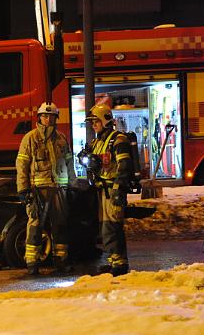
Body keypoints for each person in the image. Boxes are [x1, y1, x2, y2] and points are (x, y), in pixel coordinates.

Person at [15, 102, 76, 276]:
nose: (48, 119)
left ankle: (61, 261)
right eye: (44, 116)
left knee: (60, 226)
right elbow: (22, 166)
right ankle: (32, 263)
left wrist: (72, 185)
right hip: (37, 191)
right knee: (35, 225)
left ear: (56, 118)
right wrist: (23, 190)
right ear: (39, 117)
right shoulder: (30, 138)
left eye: (51, 116)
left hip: (59, 190)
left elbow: (69, 164)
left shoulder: (61, 139)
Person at [86, 104, 132, 276]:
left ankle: (120, 265)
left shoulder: (118, 140)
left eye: (95, 121)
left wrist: (118, 190)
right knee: (105, 228)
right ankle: (114, 260)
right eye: (92, 122)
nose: (93, 125)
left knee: (113, 227)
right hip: (101, 191)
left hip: (113, 191)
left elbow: (124, 166)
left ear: (105, 120)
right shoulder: (97, 142)